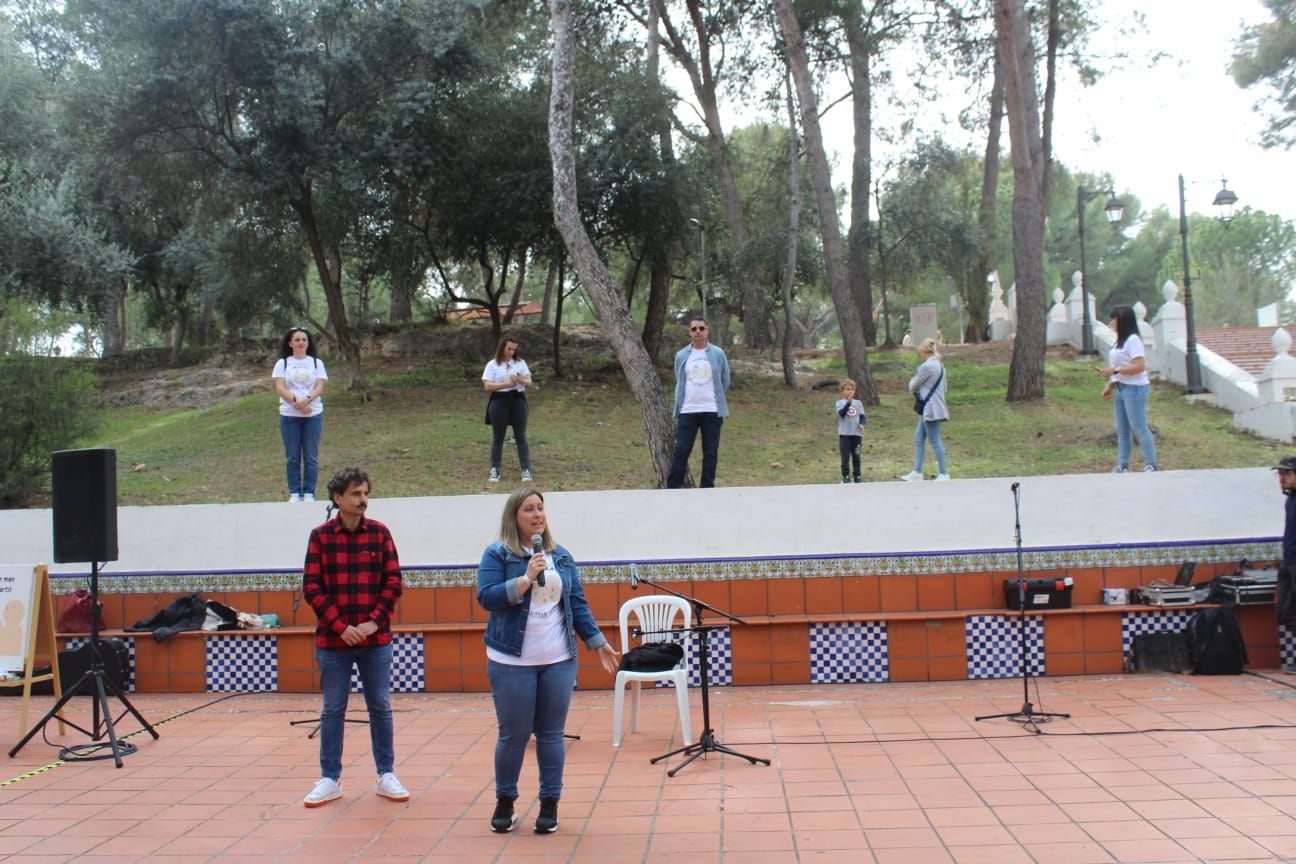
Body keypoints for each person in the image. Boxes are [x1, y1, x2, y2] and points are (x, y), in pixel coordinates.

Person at [476, 488, 618, 834]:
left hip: (557, 659)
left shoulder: (562, 557)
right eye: (529, 509)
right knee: (514, 735)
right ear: (515, 516)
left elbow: (577, 604)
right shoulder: (497, 555)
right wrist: (524, 579)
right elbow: (487, 598)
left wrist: (597, 642)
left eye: (541, 508)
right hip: (511, 660)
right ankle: (505, 801)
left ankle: (549, 804)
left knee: (551, 735)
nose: (537, 514)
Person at [301, 467, 407, 808]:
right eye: (356, 494)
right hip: (334, 642)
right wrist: (340, 626)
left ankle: (386, 774)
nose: (363, 500)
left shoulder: (380, 534)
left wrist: (374, 623)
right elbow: (312, 587)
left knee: (381, 706)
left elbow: (393, 582)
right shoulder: (320, 536)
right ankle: (329, 779)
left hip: (376, 641)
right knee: (333, 709)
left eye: (365, 494)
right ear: (338, 498)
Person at [667, 317, 732, 488]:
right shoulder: (681, 355)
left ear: (707, 331)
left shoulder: (718, 354)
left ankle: (707, 489)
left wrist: (715, 397)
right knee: (681, 450)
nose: (698, 331)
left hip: (712, 411)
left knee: (710, 452)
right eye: (694, 329)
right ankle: (672, 488)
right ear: (689, 332)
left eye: (701, 328)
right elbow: (680, 380)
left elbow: (725, 380)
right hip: (687, 411)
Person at [1099, 305, 1158, 472]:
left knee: (1139, 426)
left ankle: (1151, 463)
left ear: (1123, 321)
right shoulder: (1119, 342)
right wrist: (1110, 385)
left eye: (1114, 319)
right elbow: (1117, 366)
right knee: (1122, 429)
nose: (1112, 322)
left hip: (1135, 388)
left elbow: (1139, 366)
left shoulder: (1133, 340)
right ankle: (1122, 465)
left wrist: (1115, 371)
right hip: (1121, 387)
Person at [272, 327, 327, 502]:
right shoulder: (283, 363)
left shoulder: (317, 363)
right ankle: (294, 492)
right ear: (290, 343)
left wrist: (307, 400)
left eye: (304, 339)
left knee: (311, 456)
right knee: (292, 456)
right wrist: (298, 403)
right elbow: (280, 388)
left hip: (313, 415)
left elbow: (319, 386)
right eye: (297, 340)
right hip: (289, 416)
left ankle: (309, 492)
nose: (301, 342)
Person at [482, 336, 534, 484]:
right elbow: (487, 386)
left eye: (514, 349)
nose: (511, 352)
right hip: (499, 400)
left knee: (520, 436)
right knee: (498, 437)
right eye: (509, 348)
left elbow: (529, 383)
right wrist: (505, 384)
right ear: (502, 348)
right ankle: (495, 469)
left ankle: (526, 469)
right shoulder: (492, 364)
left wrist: (520, 380)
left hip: (517, 400)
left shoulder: (520, 363)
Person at [902, 337, 949, 481]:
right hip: (933, 407)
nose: (920, 356)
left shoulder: (927, 367)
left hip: (930, 409)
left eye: (919, 353)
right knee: (919, 438)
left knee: (934, 440)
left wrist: (912, 380)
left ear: (923, 351)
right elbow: (945, 388)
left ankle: (944, 473)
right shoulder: (940, 366)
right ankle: (917, 471)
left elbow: (913, 386)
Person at [1274, 456, 1296, 673]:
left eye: (1287, 474)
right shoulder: (1289, 500)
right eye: (1280, 474)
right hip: (1288, 562)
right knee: (1285, 610)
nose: (1282, 478)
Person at [835, 378, 866, 483]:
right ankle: (846, 477)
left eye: (852, 389)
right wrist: (848, 402)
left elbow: (862, 416)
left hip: (856, 434)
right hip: (845, 434)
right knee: (845, 457)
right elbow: (842, 414)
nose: (850, 391)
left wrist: (862, 424)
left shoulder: (858, 403)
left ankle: (857, 476)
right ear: (842, 391)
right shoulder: (839, 403)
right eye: (848, 389)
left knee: (856, 456)